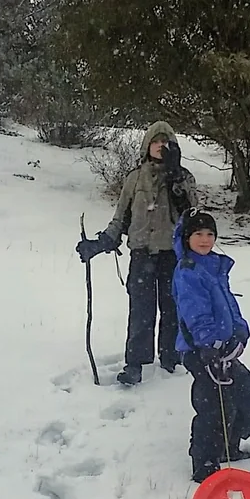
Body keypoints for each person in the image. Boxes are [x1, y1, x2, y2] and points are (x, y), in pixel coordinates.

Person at [76, 121, 198, 385]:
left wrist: (176, 177)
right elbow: (120, 218)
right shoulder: (134, 178)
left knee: (173, 309)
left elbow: (192, 215)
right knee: (141, 311)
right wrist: (100, 243)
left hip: (173, 255)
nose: (161, 146)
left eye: (166, 142)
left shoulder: (184, 177)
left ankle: (171, 359)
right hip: (142, 254)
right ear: (147, 145)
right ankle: (135, 364)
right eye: (156, 141)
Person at [171, 207, 250, 483]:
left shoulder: (214, 266)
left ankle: (228, 447)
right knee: (213, 406)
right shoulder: (188, 271)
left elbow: (229, 307)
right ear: (187, 237)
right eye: (198, 233)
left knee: (246, 392)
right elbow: (195, 312)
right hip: (202, 351)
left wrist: (240, 332)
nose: (204, 239)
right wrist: (209, 344)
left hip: (225, 349)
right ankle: (205, 465)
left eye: (210, 234)